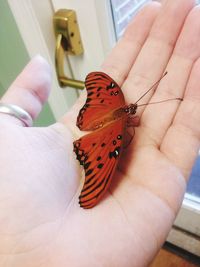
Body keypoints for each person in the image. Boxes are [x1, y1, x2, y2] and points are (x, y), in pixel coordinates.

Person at [0, 0, 199, 266]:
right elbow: (101, 85)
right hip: (104, 135)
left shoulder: (115, 95)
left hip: (94, 123)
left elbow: (100, 82)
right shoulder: (119, 114)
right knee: (116, 144)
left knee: (116, 139)